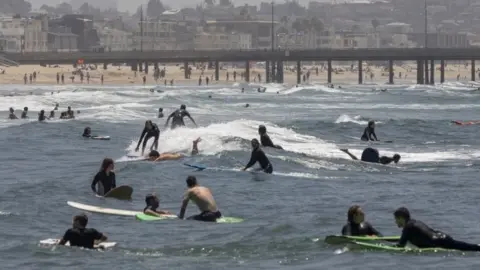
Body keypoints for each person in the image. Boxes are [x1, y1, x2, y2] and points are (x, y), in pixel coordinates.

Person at [394, 207, 480, 251]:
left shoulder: (408, 228)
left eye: (396, 219)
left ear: (401, 218)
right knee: (468, 247)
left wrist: (381, 247)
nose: (395, 222)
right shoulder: (415, 222)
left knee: (469, 249)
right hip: (442, 237)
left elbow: (400, 246)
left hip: (439, 243)